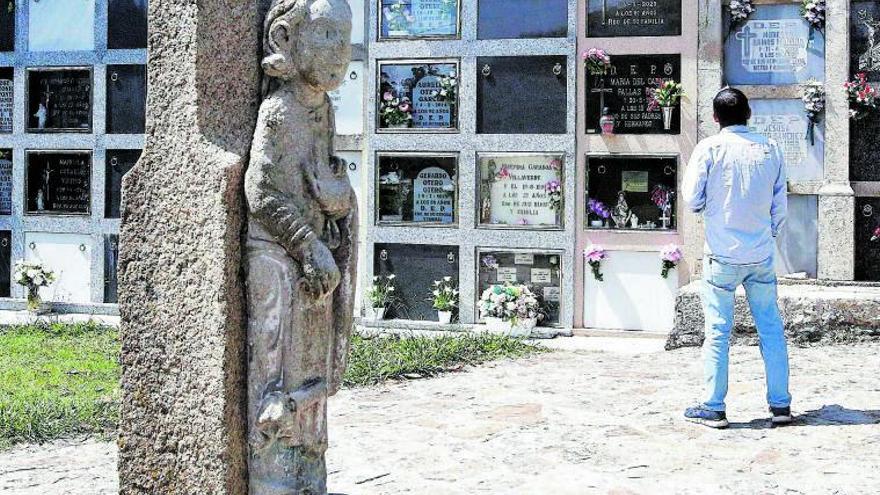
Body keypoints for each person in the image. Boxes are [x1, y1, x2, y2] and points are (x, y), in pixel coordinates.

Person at [681, 88, 792, 429]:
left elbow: (691, 199)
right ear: (749, 114)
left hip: (722, 254)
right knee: (771, 328)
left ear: (715, 118)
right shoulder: (770, 148)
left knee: (717, 331)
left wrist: (709, 209)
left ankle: (714, 406)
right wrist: (765, 233)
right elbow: (780, 207)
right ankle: (781, 405)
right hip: (760, 254)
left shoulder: (709, 149)